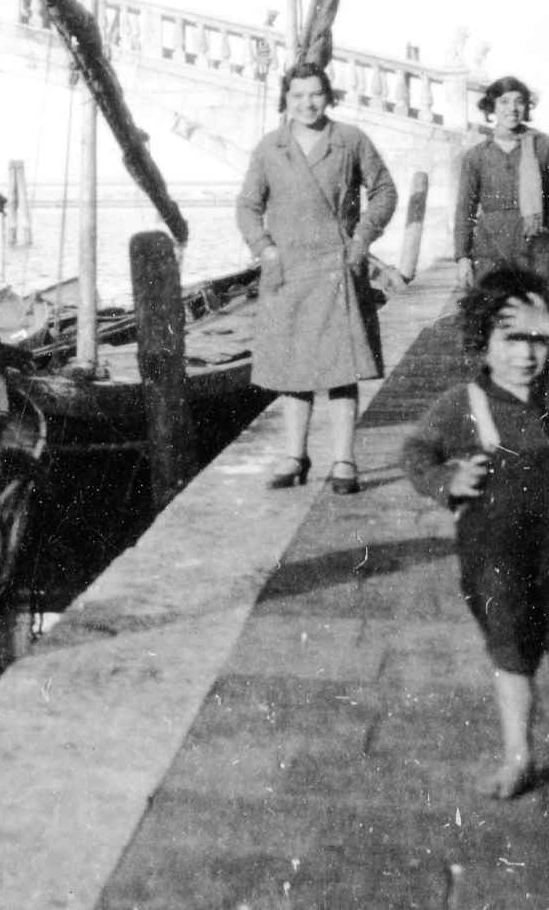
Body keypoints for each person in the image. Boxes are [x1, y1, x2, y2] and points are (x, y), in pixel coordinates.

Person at [401, 266, 549, 798]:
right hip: (498, 557)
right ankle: (519, 755)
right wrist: (448, 481)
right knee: (512, 653)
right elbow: (414, 452)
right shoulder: (465, 405)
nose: (527, 355)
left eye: (541, 339)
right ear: (482, 343)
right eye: (512, 339)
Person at [236, 61, 398, 493]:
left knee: (340, 369)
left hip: (337, 267)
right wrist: (266, 249)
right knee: (293, 369)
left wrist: (362, 237)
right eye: (297, 96)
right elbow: (248, 207)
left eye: (315, 94)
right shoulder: (271, 147)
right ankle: (295, 455)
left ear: (329, 96)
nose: (307, 103)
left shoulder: (350, 140)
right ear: (285, 101)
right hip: (287, 271)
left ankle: (344, 459)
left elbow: (384, 191)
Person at [455, 76, 549, 289]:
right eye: (504, 102)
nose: (513, 108)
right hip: (491, 251)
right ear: (491, 107)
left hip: (536, 252)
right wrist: (462, 258)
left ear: (526, 107)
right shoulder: (476, 156)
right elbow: (464, 210)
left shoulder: (542, 147)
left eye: (519, 101)